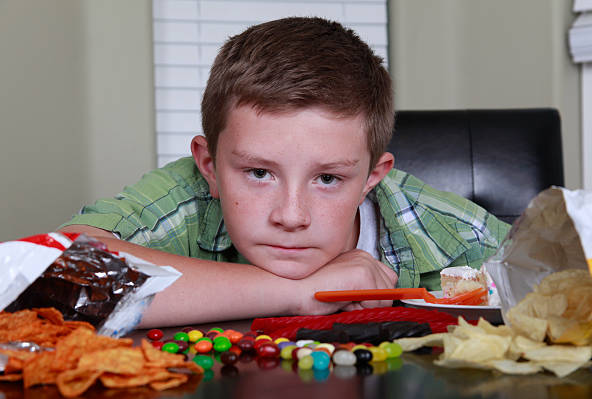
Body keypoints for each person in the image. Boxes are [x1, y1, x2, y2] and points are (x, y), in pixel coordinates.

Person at [59, 17, 510, 328]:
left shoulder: (453, 236)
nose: (291, 217)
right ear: (210, 167)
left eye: (328, 179)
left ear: (373, 177)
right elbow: (53, 276)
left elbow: (565, 298)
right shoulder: (182, 201)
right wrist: (300, 292)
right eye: (258, 173)